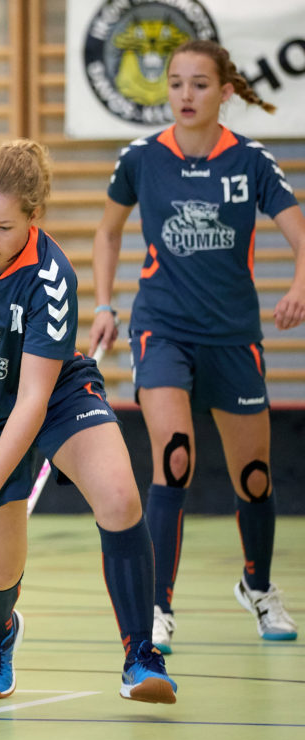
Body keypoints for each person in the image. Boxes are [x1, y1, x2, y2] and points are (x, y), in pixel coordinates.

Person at [0, 139, 177, 704]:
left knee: (120, 497)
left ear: (34, 216)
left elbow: (32, 401)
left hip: (54, 394)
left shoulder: (51, 278)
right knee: (1, 569)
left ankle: (141, 657)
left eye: (3, 227)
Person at [91, 40, 304, 651]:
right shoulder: (141, 158)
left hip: (233, 337)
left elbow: (300, 237)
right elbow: (108, 233)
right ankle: (157, 606)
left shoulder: (251, 161)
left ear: (225, 92)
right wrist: (104, 305)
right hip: (162, 328)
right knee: (175, 456)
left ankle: (258, 588)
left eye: (200, 84)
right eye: (176, 83)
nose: (185, 94)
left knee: (254, 477)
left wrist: (299, 286)